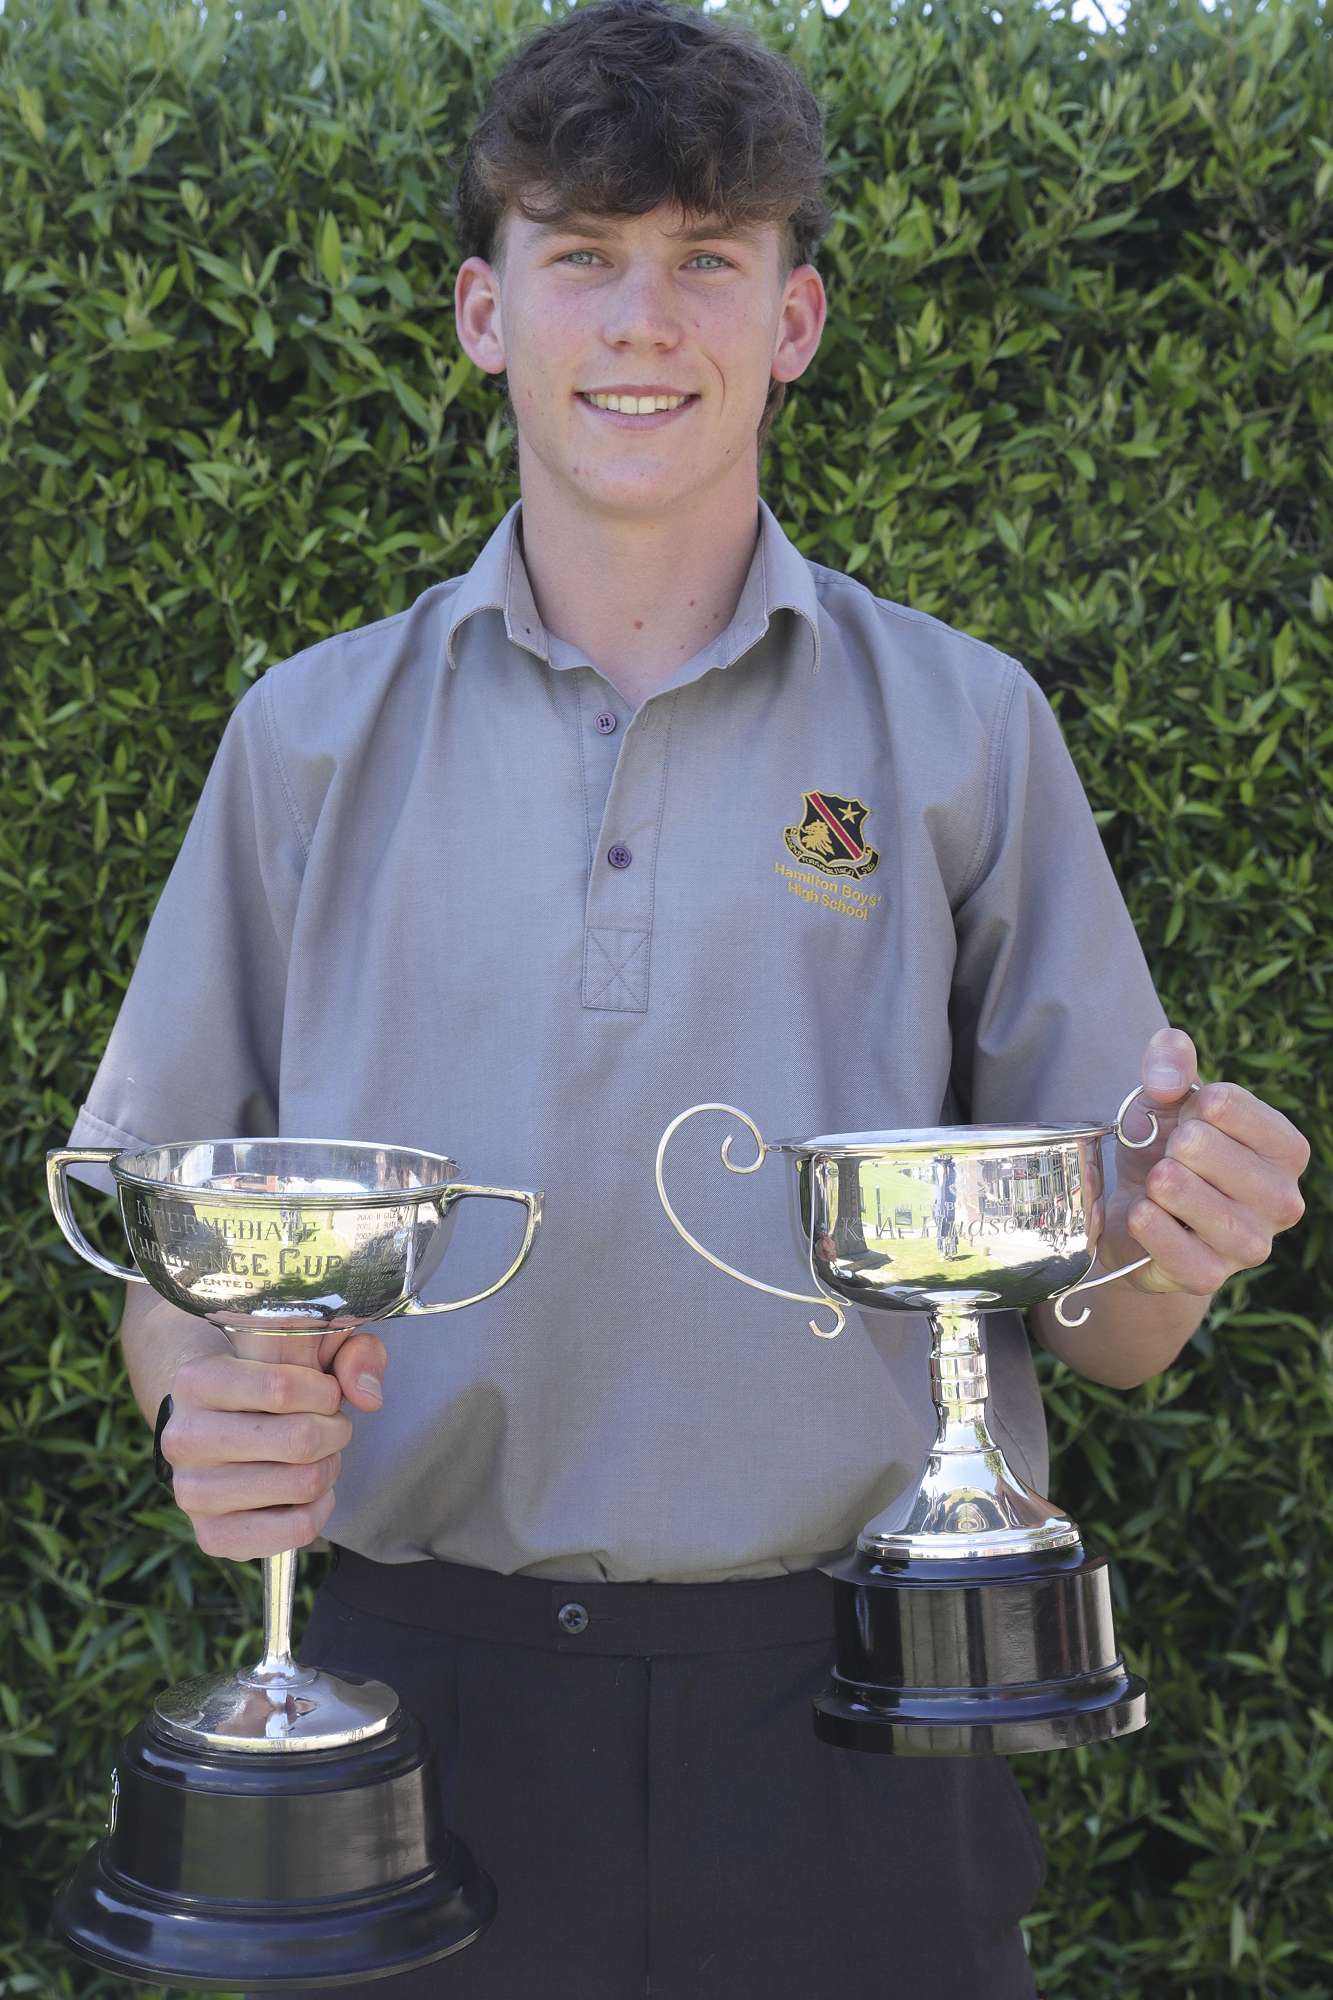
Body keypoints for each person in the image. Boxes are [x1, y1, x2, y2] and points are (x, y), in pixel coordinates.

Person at [64, 3, 1309, 1995]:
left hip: (873, 1702)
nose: (642, 321)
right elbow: (167, 1245)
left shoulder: (961, 724)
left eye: (706, 260)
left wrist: (1173, 1228)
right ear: (484, 312)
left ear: (791, 320)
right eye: (582, 256)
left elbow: (1109, 1326)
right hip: (399, 1704)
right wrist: (194, 1402)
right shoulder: (308, 735)